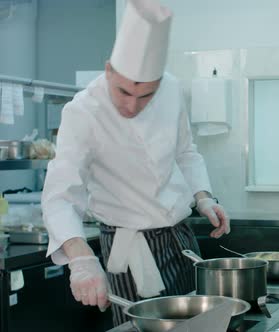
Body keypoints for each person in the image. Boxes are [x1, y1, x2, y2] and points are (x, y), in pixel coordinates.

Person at [41, 0, 230, 326]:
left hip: (181, 240)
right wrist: (81, 259)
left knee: (199, 327)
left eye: (145, 96)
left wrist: (203, 197)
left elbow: (185, 152)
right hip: (130, 251)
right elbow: (60, 193)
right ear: (109, 70)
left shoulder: (172, 89)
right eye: (123, 92)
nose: (132, 106)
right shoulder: (82, 111)